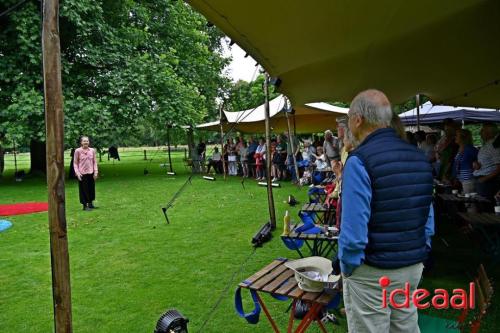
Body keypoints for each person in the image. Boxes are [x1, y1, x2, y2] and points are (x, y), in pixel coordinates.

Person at [337, 89, 434, 333]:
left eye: (348, 117)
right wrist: (422, 251)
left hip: (372, 271)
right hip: (411, 265)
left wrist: (348, 267)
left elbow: (353, 234)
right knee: (406, 328)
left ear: (357, 119)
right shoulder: (419, 157)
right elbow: (428, 218)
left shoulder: (358, 161)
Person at [473, 123, 500, 201]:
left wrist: (485, 178)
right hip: (483, 181)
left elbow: (499, 167)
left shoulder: (493, 145)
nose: (480, 133)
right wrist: (476, 162)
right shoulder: (488, 144)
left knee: (485, 208)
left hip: (487, 182)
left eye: (482, 131)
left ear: (489, 133)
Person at [73, 136, 99, 211]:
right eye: (84, 141)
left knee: (91, 189)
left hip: (91, 173)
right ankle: (85, 206)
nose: (86, 142)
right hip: (82, 174)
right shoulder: (77, 151)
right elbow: (75, 163)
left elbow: (94, 162)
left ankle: (90, 204)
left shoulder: (92, 150)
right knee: (83, 190)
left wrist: (95, 172)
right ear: (81, 142)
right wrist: (77, 173)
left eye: (87, 141)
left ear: (89, 142)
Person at [452, 129, 478, 193]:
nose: (455, 137)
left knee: (468, 202)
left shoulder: (470, 149)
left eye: (456, 135)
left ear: (463, 137)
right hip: (461, 181)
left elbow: (480, 159)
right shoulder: (460, 149)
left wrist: (476, 163)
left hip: (468, 181)